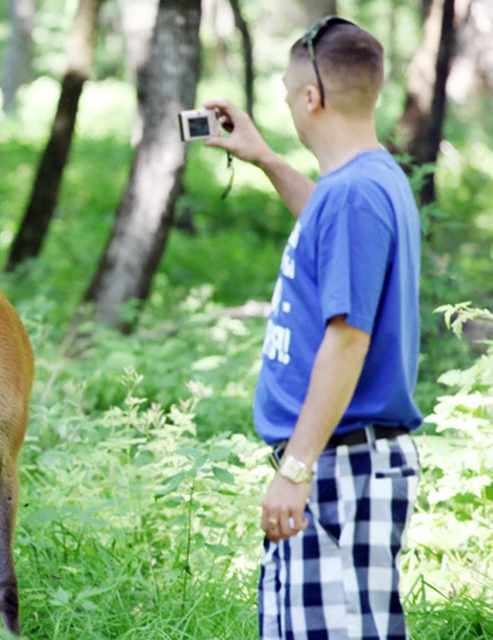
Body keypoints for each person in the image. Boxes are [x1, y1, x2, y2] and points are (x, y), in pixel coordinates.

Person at [205, 17, 423, 640]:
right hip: (342, 460)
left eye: (285, 94)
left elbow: (347, 339)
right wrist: (266, 158)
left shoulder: (356, 194)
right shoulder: (366, 183)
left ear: (311, 97)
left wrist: (295, 469)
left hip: (339, 463)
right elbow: (327, 224)